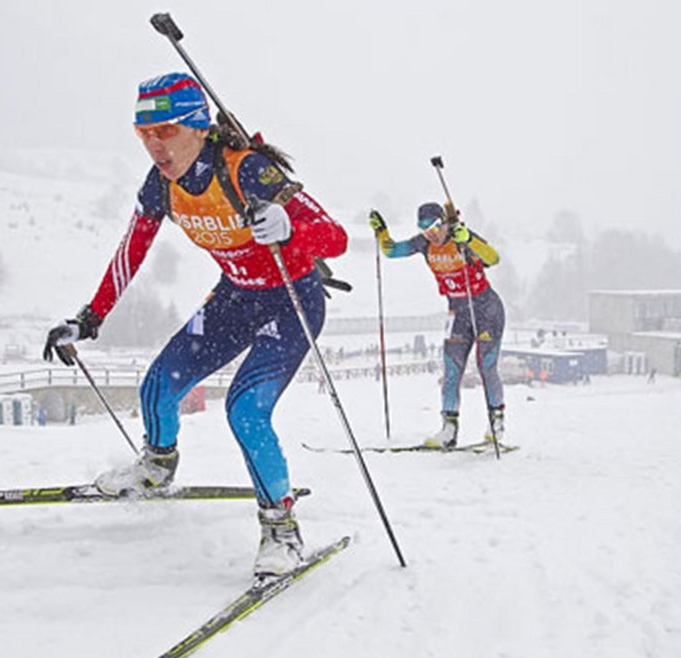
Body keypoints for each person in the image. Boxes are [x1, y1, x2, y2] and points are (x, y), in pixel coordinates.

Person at [43, 73, 348, 577]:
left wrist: (292, 227)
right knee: (159, 383)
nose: (154, 145)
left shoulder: (248, 170)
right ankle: (157, 467)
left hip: (291, 301)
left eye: (165, 130)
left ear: (198, 127)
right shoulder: (161, 184)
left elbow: (334, 237)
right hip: (236, 296)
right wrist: (90, 318)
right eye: (143, 133)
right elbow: (131, 249)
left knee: (246, 410)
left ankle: (281, 531)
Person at [368, 203, 506, 448]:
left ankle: (496, 423)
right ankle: (449, 429)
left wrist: (470, 238)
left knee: (486, 366)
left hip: (486, 309)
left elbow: (493, 258)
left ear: (443, 223)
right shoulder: (424, 244)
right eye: (422, 228)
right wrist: (382, 232)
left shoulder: (460, 237)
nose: (429, 233)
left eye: (433, 226)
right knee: (451, 371)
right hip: (458, 311)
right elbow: (392, 251)